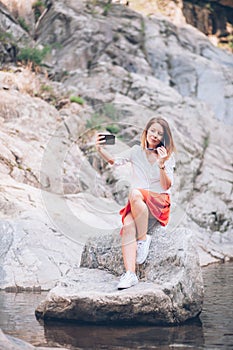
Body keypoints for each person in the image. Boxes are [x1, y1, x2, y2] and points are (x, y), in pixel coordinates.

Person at [95, 117, 176, 290]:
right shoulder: (135, 151)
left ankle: (143, 239)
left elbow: (166, 185)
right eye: (152, 131)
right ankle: (130, 274)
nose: (155, 135)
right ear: (146, 131)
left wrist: (161, 165)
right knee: (127, 226)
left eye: (159, 134)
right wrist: (100, 150)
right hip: (139, 203)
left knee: (134, 192)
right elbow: (113, 162)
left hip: (159, 201)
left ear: (164, 138)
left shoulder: (167, 156)